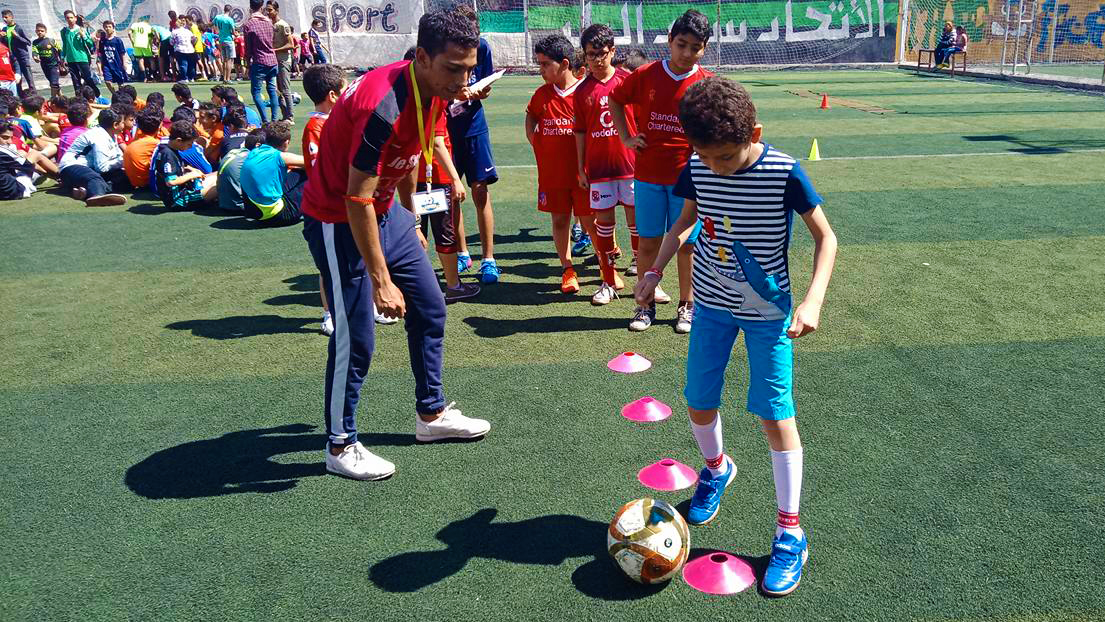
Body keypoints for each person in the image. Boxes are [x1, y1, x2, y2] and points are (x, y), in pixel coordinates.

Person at [634, 76, 837, 597]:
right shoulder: (697, 164)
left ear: (755, 132)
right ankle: (716, 469)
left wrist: (812, 301)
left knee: (774, 413)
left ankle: (790, 531)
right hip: (710, 308)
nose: (716, 167)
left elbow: (826, 238)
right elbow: (685, 222)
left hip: (768, 314)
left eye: (725, 156)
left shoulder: (784, 171)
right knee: (698, 400)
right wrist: (655, 271)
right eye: (706, 157)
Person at [300, 10, 492, 481]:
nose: (462, 80)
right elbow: (355, 197)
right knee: (357, 335)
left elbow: (408, 159)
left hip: (388, 215)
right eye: (453, 69)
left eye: (469, 69)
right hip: (338, 218)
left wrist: (412, 224)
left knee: (431, 307)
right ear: (422, 58)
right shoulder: (379, 106)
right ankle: (340, 444)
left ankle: (431, 415)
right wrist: (382, 280)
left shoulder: (436, 90)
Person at [610, 10, 711, 334]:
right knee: (648, 243)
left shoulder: (706, 83)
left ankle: (687, 305)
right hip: (649, 176)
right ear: (669, 41)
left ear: (704, 49)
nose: (686, 53)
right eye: (681, 44)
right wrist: (626, 136)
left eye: (695, 47)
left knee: (687, 245)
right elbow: (615, 99)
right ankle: (645, 304)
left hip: (688, 180)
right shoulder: (646, 75)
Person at [526, 34, 596, 295]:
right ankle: (567, 268)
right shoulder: (541, 95)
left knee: (590, 221)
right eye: (539, 64)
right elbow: (531, 116)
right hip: (552, 174)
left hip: (582, 174)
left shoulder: (585, 91)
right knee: (559, 220)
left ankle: (605, 266)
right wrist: (535, 141)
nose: (541, 70)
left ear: (564, 63)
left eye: (545, 64)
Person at [574, 23, 638, 306]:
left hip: (631, 167)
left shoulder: (628, 82)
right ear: (584, 56)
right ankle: (608, 280)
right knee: (604, 225)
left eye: (602, 53)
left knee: (638, 225)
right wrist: (580, 168)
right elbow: (580, 132)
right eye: (591, 55)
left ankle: (645, 278)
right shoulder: (582, 91)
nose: (597, 60)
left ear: (612, 51)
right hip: (599, 171)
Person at [447, 4, 500, 284]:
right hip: (446, 130)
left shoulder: (483, 47)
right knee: (453, 193)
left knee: (480, 189)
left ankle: (489, 259)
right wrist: (457, 93)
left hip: (475, 127)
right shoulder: (444, 50)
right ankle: (462, 252)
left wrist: (478, 92)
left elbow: (486, 85)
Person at [59, 107, 131, 206]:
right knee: (94, 179)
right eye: (122, 122)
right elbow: (102, 167)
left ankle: (82, 191)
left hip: (91, 168)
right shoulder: (99, 136)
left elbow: (115, 158)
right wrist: (123, 161)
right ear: (115, 125)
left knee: (125, 178)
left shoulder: (111, 134)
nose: (124, 125)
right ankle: (96, 196)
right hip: (72, 166)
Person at [240, 120, 305, 225]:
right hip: (277, 215)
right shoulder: (279, 156)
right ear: (286, 142)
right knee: (309, 173)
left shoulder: (254, 152)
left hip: (253, 211)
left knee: (296, 172)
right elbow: (313, 162)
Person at [152, 119, 217, 210]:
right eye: (189, 144)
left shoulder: (170, 149)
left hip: (185, 190)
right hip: (179, 200)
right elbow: (171, 182)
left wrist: (188, 169)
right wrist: (191, 175)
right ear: (179, 140)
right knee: (220, 184)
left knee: (219, 174)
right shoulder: (168, 155)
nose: (190, 147)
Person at [243, 0, 279, 123]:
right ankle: (274, 119)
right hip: (272, 60)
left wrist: (247, 65)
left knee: (256, 92)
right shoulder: (269, 22)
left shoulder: (249, 24)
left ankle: (265, 120)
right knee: (272, 91)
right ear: (261, 6)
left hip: (259, 61)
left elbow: (248, 48)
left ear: (250, 7)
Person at [216, 126, 261, 213]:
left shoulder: (234, 152)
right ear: (257, 145)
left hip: (223, 203)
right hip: (241, 206)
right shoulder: (253, 158)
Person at [265, 1, 295, 124]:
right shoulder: (268, 24)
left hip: (283, 60)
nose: (268, 12)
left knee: (285, 88)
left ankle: (290, 116)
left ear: (276, 10)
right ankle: (284, 115)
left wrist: (274, 50)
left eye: (270, 10)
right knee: (276, 89)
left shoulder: (283, 25)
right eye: (267, 10)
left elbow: (291, 44)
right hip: (273, 60)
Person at [61, 12, 99, 97]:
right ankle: (79, 98)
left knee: (88, 79)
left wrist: (84, 36)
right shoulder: (64, 31)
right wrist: (62, 57)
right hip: (71, 60)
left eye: (71, 17)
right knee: (75, 81)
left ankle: (96, 95)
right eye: (67, 18)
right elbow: (64, 45)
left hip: (82, 58)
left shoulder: (81, 30)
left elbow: (90, 43)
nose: (70, 20)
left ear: (75, 18)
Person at [123, 109, 164, 189]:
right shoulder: (155, 144)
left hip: (134, 182)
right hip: (147, 183)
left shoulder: (135, 141)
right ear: (159, 126)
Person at [2, 11, 34, 95]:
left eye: (6, 17)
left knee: (29, 80)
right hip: (12, 59)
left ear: (11, 17)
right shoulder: (4, 29)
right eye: (3, 17)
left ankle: (35, 99)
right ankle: (20, 99)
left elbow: (28, 42)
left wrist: (17, 36)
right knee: (16, 80)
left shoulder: (19, 28)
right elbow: (4, 45)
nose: (4, 19)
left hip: (22, 57)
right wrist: (2, 37)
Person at [31, 24, 63, 98]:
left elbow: (60, 50)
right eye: (38, 31)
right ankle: (62, 98)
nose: (40, 32)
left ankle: (52, 99)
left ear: (45, 32)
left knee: (54, 83)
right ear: (36, 31)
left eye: (42, 31)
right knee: (53, 83)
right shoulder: (35, 42)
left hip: (54, 65)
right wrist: (35, 57)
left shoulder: (51, 40)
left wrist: (62, 60)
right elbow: (34, 51)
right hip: (45, 66)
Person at [98, 21, 128, 93]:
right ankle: (115, 94)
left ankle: (122, 95)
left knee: (120, 84)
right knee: (107, 82)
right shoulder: (102, 41)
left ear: (113, 28)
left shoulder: (117, 40)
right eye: (106, 27)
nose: (107, 28)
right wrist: (100, 66)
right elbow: (101, 54)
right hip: (107, 65)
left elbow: (122, 53)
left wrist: (124, 63)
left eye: (109, 27)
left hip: (117, 65)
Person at [214, 5, 236, 83]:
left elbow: (215, 27)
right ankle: (228, 78)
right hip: (229, 40)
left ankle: (224, 78)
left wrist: (219, 33)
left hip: (221, 40)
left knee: (224, 60)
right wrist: (236, 34)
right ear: (230, 11)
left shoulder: (218, 17)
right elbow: (233, 31)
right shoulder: (230, 19)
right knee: (229, 60)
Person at [171, 17, 196, 82]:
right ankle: (191, 78)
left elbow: (171, 42)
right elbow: (193, 39)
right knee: (191, 65)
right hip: (190, 49)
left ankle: (184, 78)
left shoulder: (174, 32)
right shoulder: (188, 31)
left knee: (183, 64)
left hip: (180, 49)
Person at [128, 17, 153, 82]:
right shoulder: (148, 26)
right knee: (151, 60)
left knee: (140, 61)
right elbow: (151, 36)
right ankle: (152, 75)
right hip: (146, 44)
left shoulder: (134, 25)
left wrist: (132, 41)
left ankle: (144, 77)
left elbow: (129, 33)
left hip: (137, 44)